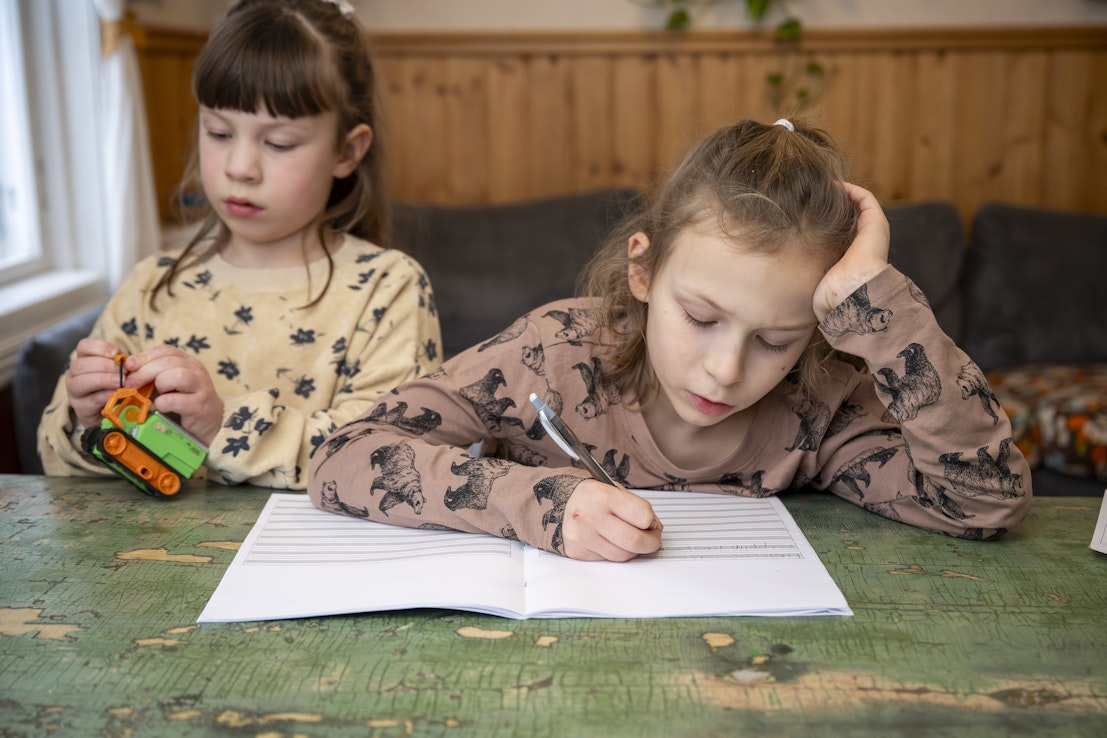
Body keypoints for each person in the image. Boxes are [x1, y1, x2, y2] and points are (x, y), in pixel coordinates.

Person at [307, 118, 1031, 560]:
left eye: (775, 340)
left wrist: (881, 310)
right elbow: (343, 456)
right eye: (702, 318)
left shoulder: (821, 402)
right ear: (643, 270)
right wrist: (543, 503)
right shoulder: (548, 355)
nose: (723, 372)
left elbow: (982, 502)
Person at [38, 0, 441, 490]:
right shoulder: (152, 285)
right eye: (220, 132)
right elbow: (54, 458)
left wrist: (221, 425)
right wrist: (89, 422)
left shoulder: (387, 289)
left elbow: (391, 458)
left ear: (347, 150)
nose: (240, 167)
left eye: (279, 143)